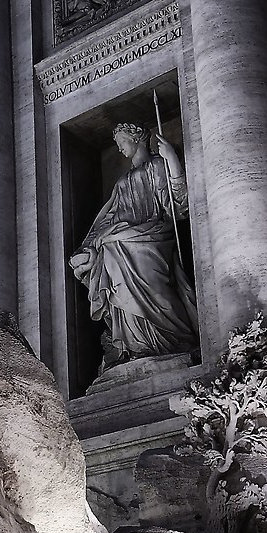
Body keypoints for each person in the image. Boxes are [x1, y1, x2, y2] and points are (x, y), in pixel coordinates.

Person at [69, 121, 198, 368]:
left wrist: (172, 160)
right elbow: (109, 218)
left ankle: (174, 341)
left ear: (136, 138)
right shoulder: (123, 180)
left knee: (154, 284)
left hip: (152, 236)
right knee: (111, 252)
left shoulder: (156, 165)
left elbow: (176, 206)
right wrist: (89, 247)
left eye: (121, 142)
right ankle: (136, 346)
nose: (119, 148)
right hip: (119, 239)